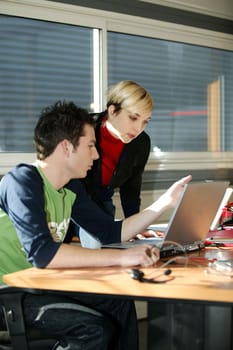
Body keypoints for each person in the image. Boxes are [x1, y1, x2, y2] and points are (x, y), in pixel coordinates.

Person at [0, 101, 191, 349]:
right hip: (9, 292)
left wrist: (165, 202)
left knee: (119, 302)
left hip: (38, 285)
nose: (96, 155)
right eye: (90, 146)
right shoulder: (22, 181)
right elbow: (43, 253)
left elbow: (111, 232)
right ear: (66, 147)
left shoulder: (70, 187)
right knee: (93, 330)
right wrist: (121, 258)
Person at [83, 80, 153, 219]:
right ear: (113, 111)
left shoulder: (141, 142)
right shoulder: (83, 127)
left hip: (103, 203)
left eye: (145, 121)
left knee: (117, 238)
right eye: (133, 118)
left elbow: (131, 189)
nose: (138, 128)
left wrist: (135, 226)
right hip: (69, 201)